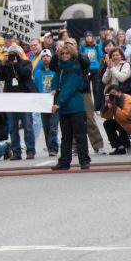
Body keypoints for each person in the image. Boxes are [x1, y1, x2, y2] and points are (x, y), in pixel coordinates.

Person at [51, 41, 91, 171]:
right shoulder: (61, 67)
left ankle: (84, 161)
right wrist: (53, 88)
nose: (64, 55)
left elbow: (69, 87)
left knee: (80, 135)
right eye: (62, 53)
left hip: (75, 107)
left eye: (67, 53)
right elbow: (55, 80)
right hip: (65, 109)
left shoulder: (75, 67)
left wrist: (58, 102)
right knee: (66, 137)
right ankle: (64, 162)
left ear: (72, 53)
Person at [0, 44, 37, 160]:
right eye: (11, 54)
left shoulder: (26, 63)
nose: (13, 56)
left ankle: (30, 151)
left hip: (24, 99)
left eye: (15, 54)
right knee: (13, 128)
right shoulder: (7, 66)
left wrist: (16, 63)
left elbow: (26, 74)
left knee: (28, 126)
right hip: (11, 100)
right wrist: (3, 64)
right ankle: (16, 152)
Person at [100, 86, 131, 155]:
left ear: (120, 92)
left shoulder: (128, 100)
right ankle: (120, 147)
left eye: (114, 93)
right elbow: (105, 116)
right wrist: (106, 105)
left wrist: (114, 106)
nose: (112, 95)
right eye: (110, 94)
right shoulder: (112, 101)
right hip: (126, 125)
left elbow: (124, 116)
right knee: (108, 123)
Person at [33, 50, 58, 157]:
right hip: (43, 103)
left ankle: (53, 148)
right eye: (43, 56)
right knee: (46, 127)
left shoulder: (55, 72)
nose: (45, 58)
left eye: (48, 56)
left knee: (53, 127)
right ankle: (49, 147)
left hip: (54, 102)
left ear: (51, 58)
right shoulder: (38, 73)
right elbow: (34, 88)